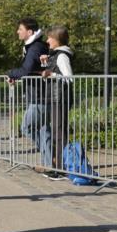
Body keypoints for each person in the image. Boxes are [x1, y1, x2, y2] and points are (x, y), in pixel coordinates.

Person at [6, 18, 51, 169]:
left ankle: (53, 158)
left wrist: (10, 73)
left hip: (40, 95)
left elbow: (26, 70)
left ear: (30, 32)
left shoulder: (34, 48)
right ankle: (49, 164)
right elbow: (32, 69)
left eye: (20, 29)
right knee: (44, 129)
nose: (17, 32)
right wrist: (16, 76)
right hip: (40, 94)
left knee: (27, 127)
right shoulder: (34, 46)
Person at [41, 26, 75, 180]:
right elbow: (49, 75)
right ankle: (58, 167)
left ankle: (61, 169)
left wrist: (52, 74)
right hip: (55, 97)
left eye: (50, 38)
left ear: (57, 40)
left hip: (60, 98)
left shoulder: (62, 56)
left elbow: (69, 78)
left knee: (59, 133)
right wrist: (45, 66)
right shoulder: (55, 55)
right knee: (57, 132)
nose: (47, 40)